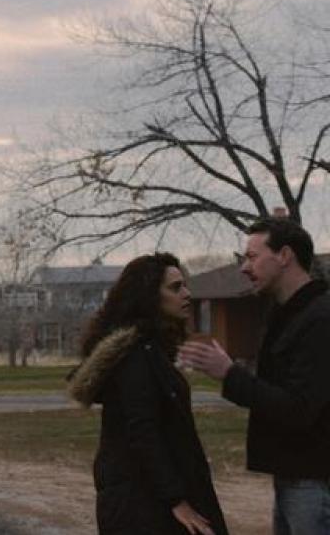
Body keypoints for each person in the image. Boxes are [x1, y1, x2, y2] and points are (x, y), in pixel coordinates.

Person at [180, 218, 330, 534]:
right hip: (296, 476)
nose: (244, 268)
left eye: (252, 256)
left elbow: (300, 408)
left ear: (285, 256)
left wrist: (229, 374)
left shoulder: (320, 318)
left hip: (315, 481)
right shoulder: (287, 314)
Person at [68, 252, 228, 534]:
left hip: (150, 497)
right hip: (144, 505)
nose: (187, 294)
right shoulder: (136, 356)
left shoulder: (152, 350)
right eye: (175, 288)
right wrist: (177, 500)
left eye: (185, 285)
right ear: (149, 296)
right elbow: (142, 431)